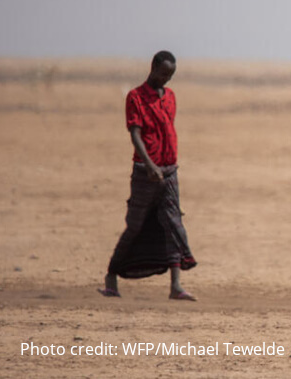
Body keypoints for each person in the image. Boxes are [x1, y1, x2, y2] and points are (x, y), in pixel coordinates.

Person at [99, 50, 197, 301]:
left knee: (173, 224)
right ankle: (111, 275)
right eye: (164, 73)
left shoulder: (171, 97)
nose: (167, 79)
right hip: (145, 173)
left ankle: (176, 285)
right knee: (135, 226)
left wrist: (165, 165)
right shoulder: (136, 97)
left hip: (169, 171)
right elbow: (135, 133)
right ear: (153, 68)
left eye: (171, 75)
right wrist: (149, 163)